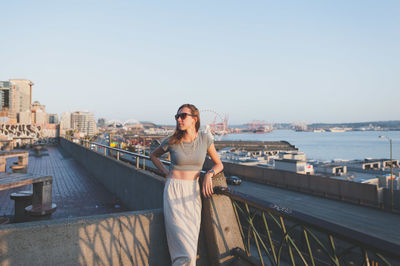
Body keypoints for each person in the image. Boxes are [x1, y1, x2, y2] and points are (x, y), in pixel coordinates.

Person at [150, 103, 224, 266]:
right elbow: (153, 156)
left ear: (194, 119)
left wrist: (208, 175)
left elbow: (219, 164)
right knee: (182, 249)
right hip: (174, 191)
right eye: (177, 116)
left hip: (193, 193)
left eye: (183, 116)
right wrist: (165, 172)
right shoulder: (172, 140)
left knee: (190, 244)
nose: (179, 119)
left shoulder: (205, 138)